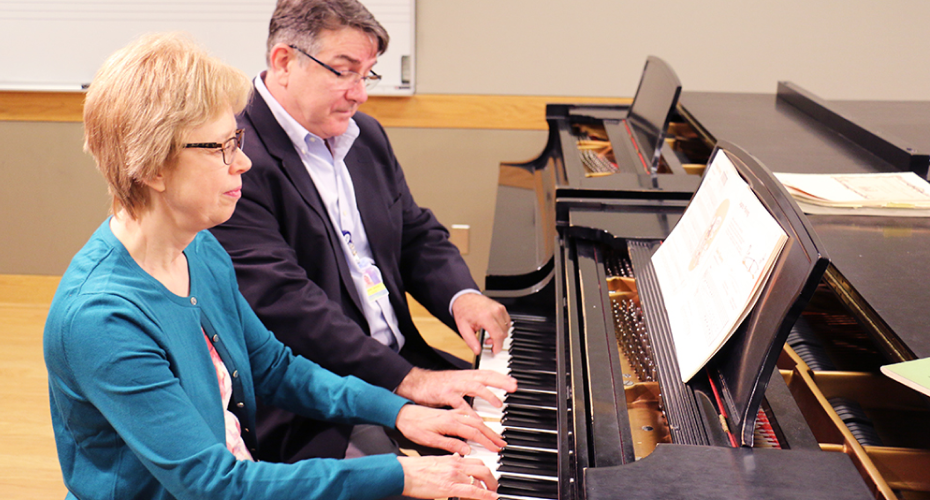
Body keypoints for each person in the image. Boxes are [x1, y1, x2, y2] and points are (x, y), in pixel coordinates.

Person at [43, 32, 502, 500]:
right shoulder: (102, 319)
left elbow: (276, 368)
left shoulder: (199, 249)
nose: (242, 161)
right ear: (153, 168)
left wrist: (400, 410)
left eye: (237, 139)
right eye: (221, 148)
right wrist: (401, 475)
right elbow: (214, 485)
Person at [210, 0, 517, 464]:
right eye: (344, 71)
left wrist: (462, 295)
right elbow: (284, 303)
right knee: (403, 482)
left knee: (519, 415)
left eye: (367, 73)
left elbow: (414, 233)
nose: (360, 94)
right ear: (284, 61)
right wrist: (407, 380)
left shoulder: (365, 136)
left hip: (397, 361)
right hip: (308, 396)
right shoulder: (236, 155)